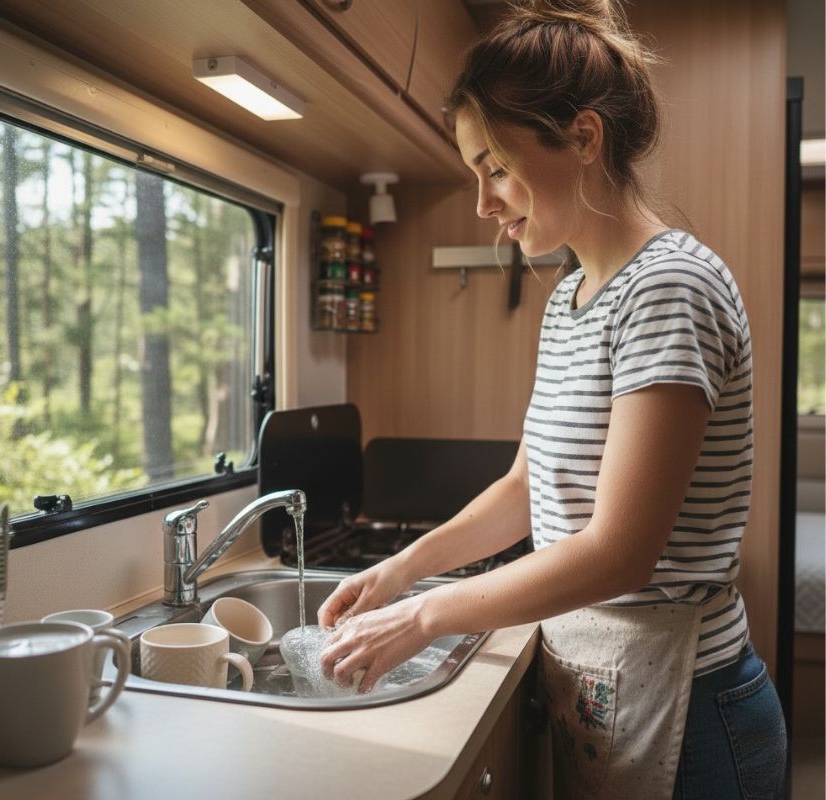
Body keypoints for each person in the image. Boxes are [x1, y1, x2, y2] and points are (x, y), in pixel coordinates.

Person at [318, 1, 787, 797]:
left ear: (584, 137)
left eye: (496, 166)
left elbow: (619, 552)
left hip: (695, 713)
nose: (483, 202)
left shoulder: (669, 287)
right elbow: (525, 488)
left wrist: (426, 615)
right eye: (475, 172)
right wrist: (402, 570)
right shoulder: (570, 299)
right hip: (611, 686)